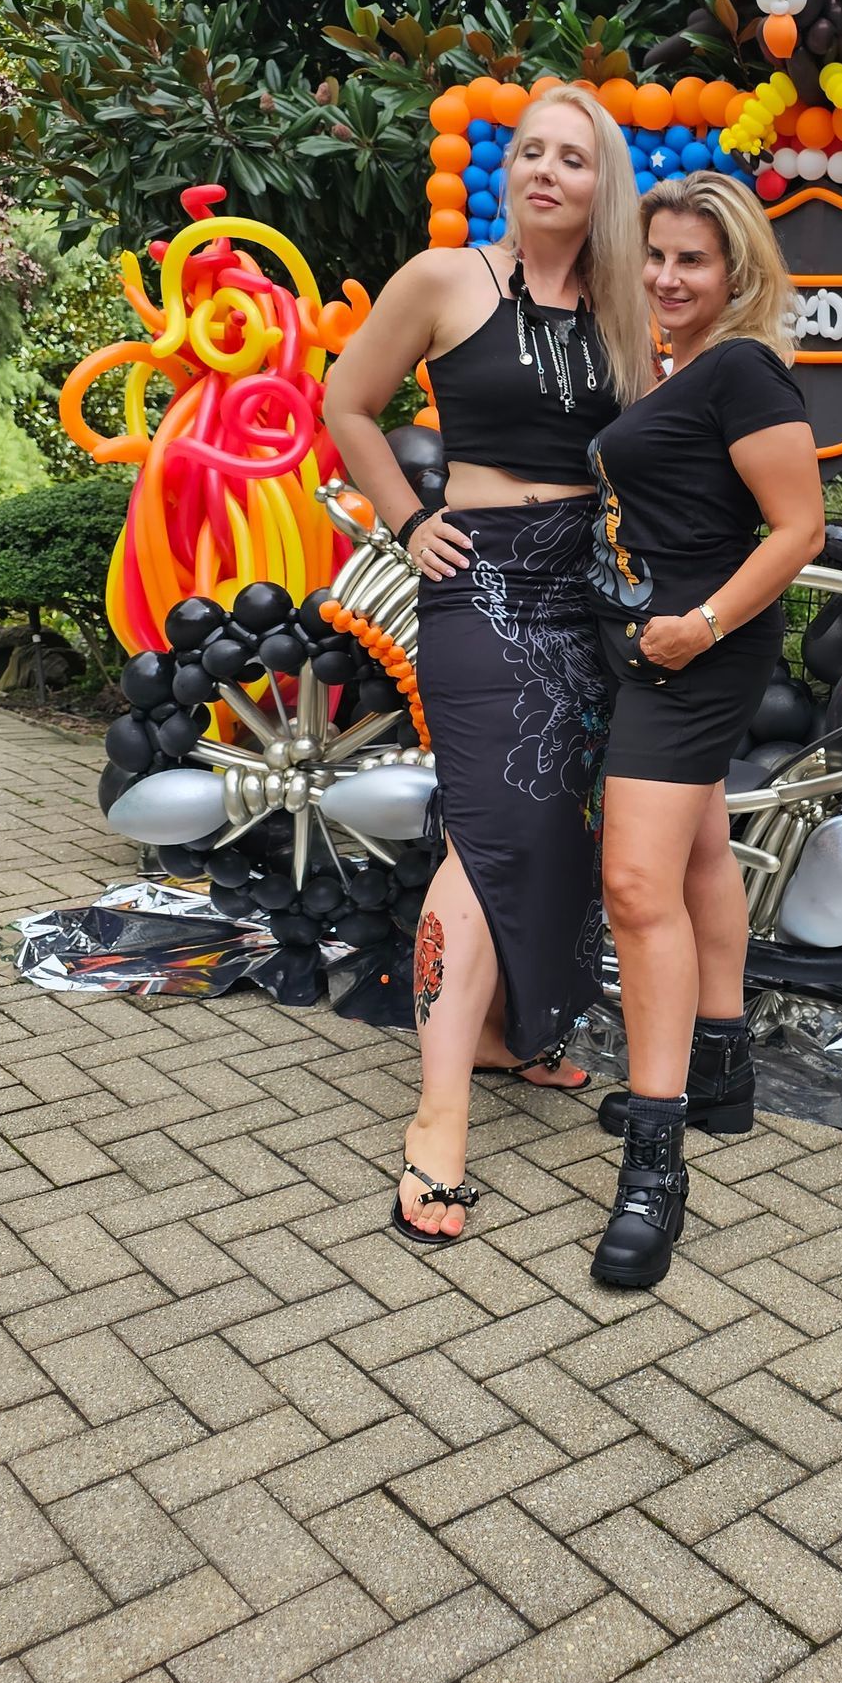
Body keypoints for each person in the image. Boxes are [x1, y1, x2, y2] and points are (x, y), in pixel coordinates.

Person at [322, 88, 654, 1245]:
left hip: (579, 592)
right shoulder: (444, 278)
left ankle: (514, 1036)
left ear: (601, 185)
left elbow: (652, 446)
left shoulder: (625, 309)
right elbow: (348, 403)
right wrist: (407, 518)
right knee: (488, 829)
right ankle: (438, 1116)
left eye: (574, 158)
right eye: (531, 152)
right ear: (508, 171)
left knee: (556, 823)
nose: (547, 171)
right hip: (476, 581)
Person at [584, 170, 825, 1288]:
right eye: (658, 256)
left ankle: (655, 1161)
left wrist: (700, 626)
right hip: (670, 638)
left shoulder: (743, 367)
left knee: (636, 886)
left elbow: (801, 527)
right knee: (695, 853)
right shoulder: (677, 367)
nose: (669, 277)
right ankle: (720, 1066)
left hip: (697, 648)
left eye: (694, 260)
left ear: (736, 272)